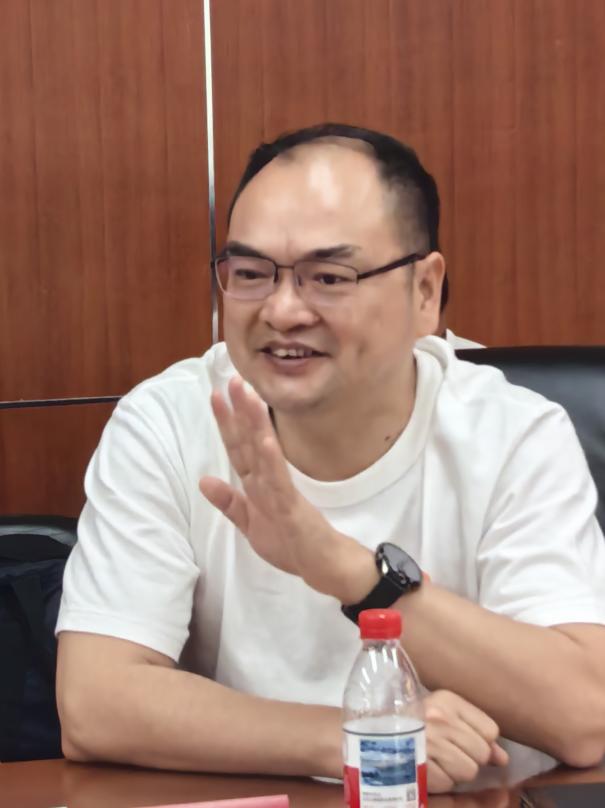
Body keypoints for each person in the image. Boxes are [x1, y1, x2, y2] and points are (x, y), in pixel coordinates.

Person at [56, 124, 605, 794]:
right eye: (251, 274)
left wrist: (346, 569)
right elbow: (95, 702)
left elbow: (586, 716)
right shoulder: (168, 423)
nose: (283, 310)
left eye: (328, 277)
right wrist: (361, 736)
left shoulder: (513, 435)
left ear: (424, 291)